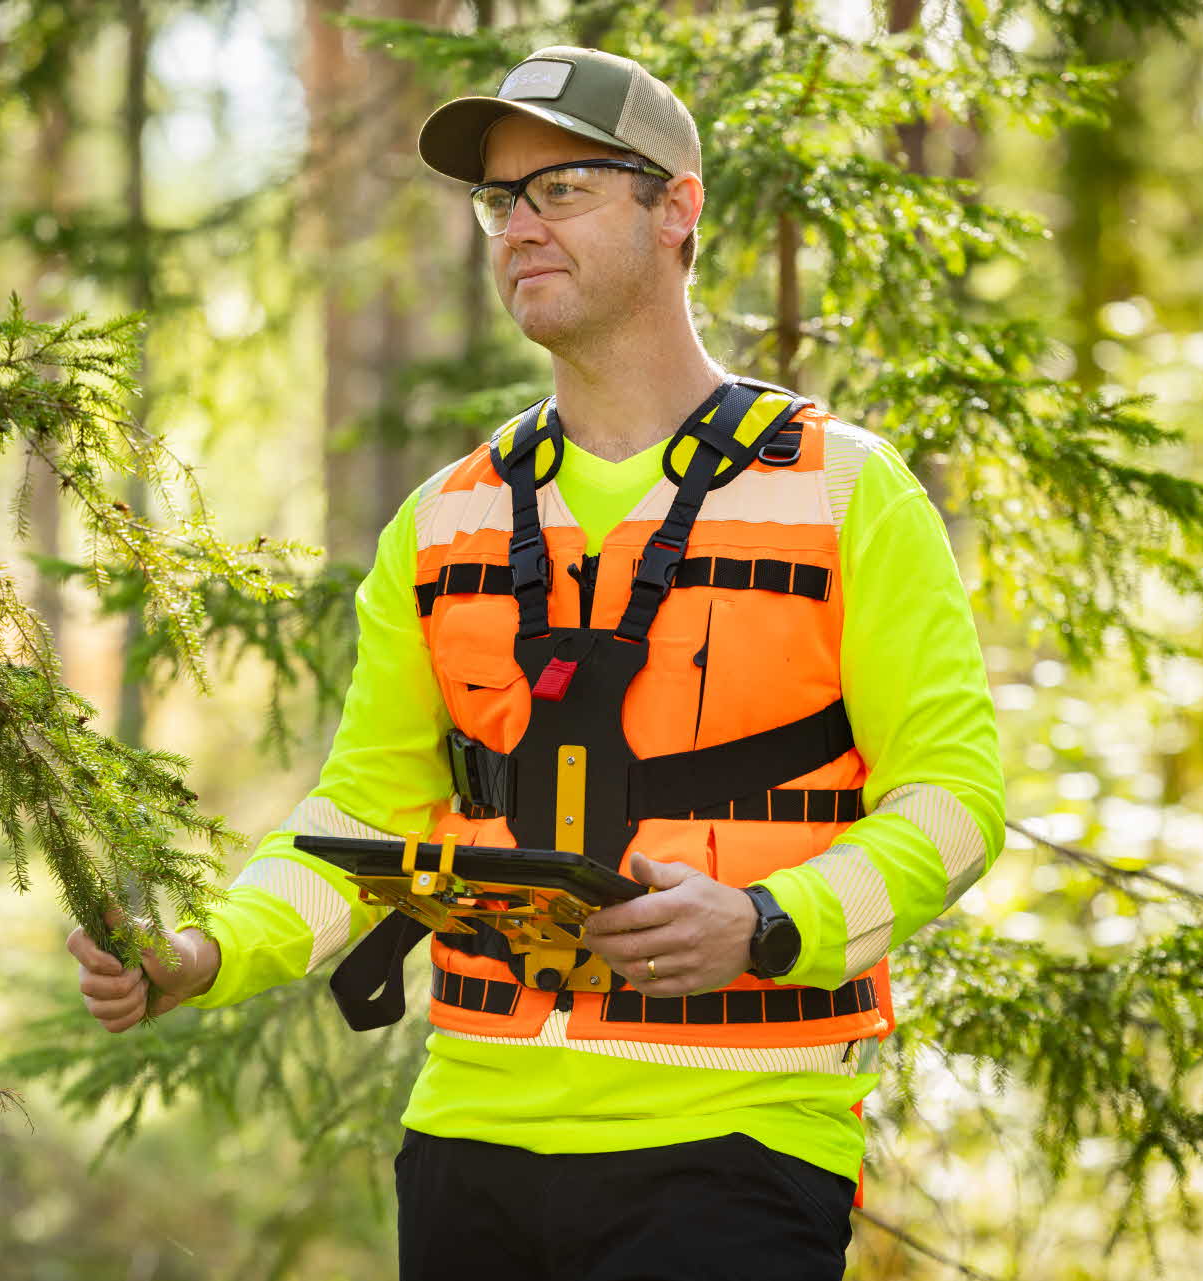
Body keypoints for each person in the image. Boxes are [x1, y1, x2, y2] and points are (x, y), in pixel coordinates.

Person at [69, 44, 1004, 1281]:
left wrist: (771, 920)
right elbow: (365, 811)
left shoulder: (846, 492)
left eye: (561, 188)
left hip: (737, 1141)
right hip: (468, 1143)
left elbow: (954, 802)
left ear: (678, 208)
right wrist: (204, 953)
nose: (520, 226)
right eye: (501, 200)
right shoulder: (445, 519)